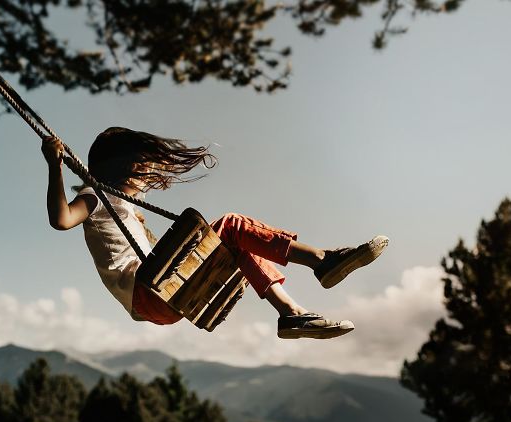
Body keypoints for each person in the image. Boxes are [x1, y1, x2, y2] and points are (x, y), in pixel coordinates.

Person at [41, 127, 388, 339]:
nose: (147, 174)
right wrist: (54, 166)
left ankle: (291, 314)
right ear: (126, 167)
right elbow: (61, 219)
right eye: (142, 167)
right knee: (232, 225)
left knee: (234, 245)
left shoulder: (125, 207)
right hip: (151, 295)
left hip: (162, 299)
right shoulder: (95, 196)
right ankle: (321, 261)